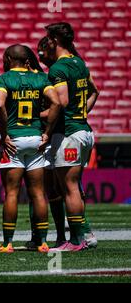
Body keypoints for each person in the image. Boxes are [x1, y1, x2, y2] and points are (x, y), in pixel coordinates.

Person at [0, 44, 61, 253]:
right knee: (38, 193)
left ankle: (8, 243)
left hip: (14, 140)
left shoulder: (3, 80)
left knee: (11, 193)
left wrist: (4, 135)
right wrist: (47, 132)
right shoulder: (41, 79)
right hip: (35, 138)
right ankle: (42, 243)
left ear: (8, 59)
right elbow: (56, 103)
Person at [43, 23, 99, 252]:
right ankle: (82, 235)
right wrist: (82, 112)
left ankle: (76, 241)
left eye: (48, 38)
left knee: (69, 187)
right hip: (83, 130)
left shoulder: (58, 68)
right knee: (72, 185)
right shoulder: (80, 63)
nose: (46, 42)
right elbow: (96, 90)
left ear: (55, 40)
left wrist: (38, 117)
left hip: (69, 134)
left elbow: (62, 102)